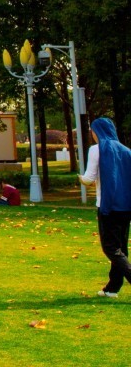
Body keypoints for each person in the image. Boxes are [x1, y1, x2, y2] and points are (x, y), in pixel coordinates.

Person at [80, 117, 131, 298]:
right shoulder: (126, 151)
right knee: (121, 248)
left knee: (111, 248)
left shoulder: (96, 150)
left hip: (107, 205)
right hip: (126, 206)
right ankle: (112, 288)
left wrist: (79, 178)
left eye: (92, 131)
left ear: (97, 132)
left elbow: (88, 178)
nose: (92, 135)